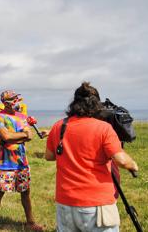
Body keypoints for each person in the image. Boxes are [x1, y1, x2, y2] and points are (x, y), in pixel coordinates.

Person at [45, 82, 138, 232]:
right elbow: (121, 160)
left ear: (74, 103)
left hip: (65, 202)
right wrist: (133, 164)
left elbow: (49, 156)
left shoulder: (58, 126)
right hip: (97, 203)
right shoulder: (103, 128)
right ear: (97, 105)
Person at [0, 90, 46, 232]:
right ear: (5, 103)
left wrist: (17, 136)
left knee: (25, 192)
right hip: (4, 162)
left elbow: (29, 136)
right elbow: (5, 136)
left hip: (20, 162)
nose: (16, 102)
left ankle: (30, 222)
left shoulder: (22, 117)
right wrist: (21, 135)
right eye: (13, 100)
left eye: (17, 99)